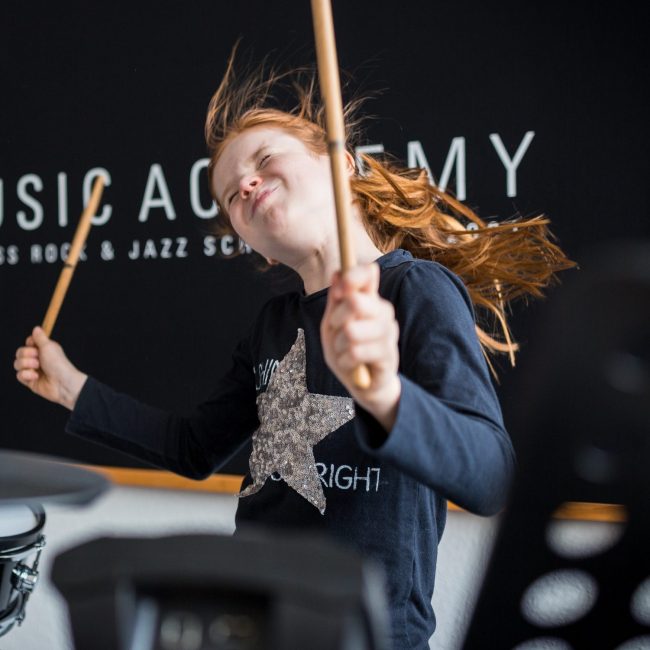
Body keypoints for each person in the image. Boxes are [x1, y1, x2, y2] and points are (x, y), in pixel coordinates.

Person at [14, 54, 574, 649]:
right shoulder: (272, 324)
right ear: (255, 246)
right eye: (231, 195)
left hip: (365, 633)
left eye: (263, 160)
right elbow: (194, 447)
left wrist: (385, 395)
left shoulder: (419, 292)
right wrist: (71, 386)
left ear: (347, 167)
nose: (246, 184)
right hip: (250, 621)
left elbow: (492, 479)